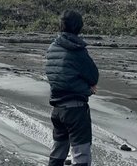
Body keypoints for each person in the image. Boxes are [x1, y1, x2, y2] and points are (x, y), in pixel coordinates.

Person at [45, 10, 99, 166]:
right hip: (75, 110)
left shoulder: (52, 47)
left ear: (61, 26)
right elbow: (93, 76)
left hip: (57, 109)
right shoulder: (78, 50)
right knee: (81, 155)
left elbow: (58, 76)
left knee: (58, 151)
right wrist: (88, 89)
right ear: (79, 27)